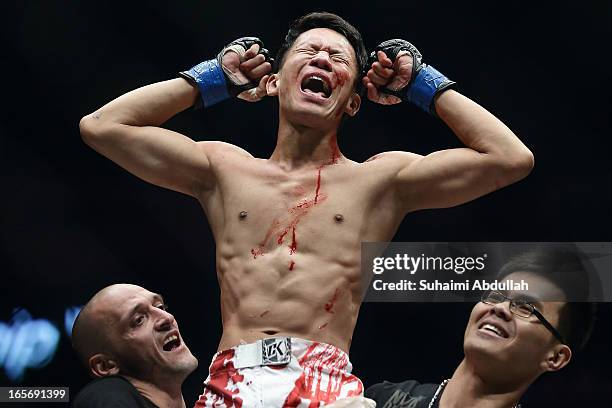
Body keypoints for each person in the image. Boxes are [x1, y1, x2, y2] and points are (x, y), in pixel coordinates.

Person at [78, 11, 534, 406]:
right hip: (230, 383)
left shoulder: (380, 181)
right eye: (309, 50)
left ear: (352, 101)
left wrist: (421, 82)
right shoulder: (223, 169)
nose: (322, 59)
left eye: (338, 60)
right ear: (274, 82)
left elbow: (510, 159)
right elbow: (101, 126)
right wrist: (212, 77)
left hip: (327, 384)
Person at [365, 249, 597, 408]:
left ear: (556, 357)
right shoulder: (380, 400)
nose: (501, 308)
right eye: (495, 296)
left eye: (525, 307)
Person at [71, 284, 198, 408]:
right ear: (106, 365)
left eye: (160, 306)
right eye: (139, 320)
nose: (167, 317)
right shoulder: (104, 396)